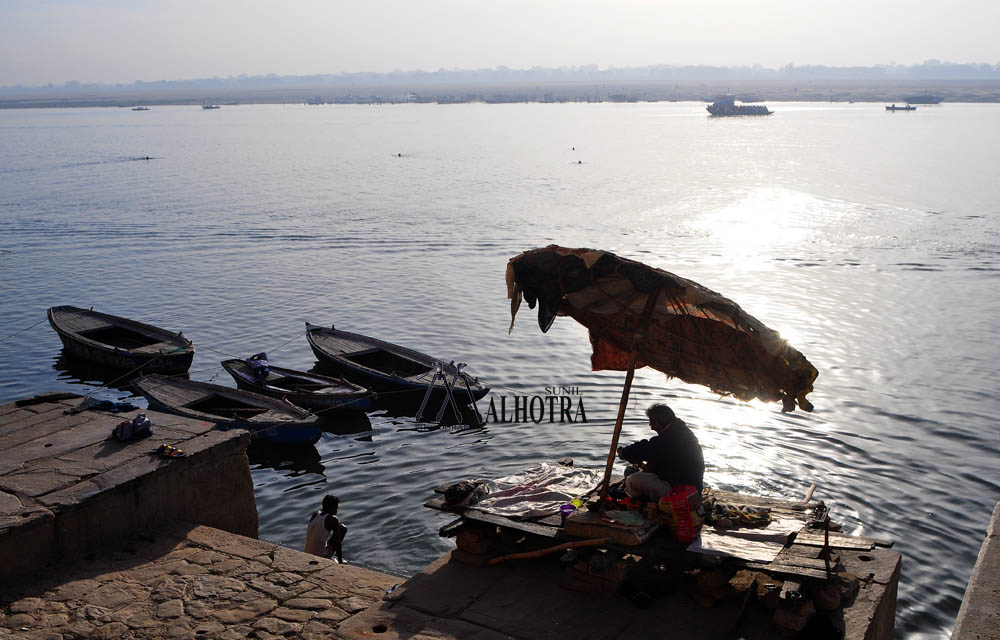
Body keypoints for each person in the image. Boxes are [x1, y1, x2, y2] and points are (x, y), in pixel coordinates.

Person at [617, 404, 704, 502]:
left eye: (651, 423)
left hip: (682, 494)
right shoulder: (682, 432)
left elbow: (643, 449)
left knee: (633, 480)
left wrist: (623, 453)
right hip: (690, 488)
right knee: (631, 471)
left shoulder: (670, 438)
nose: (651, 427)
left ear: (658, 422)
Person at [304, 494, 347, 562]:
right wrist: (340, 560)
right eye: (336, 507)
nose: (337, 510)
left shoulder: (315, 514)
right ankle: (331, 557)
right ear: (332, 507)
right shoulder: (333, 519)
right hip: (320, 556)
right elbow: (337, 542)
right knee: (343, 528)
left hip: (307, 552)